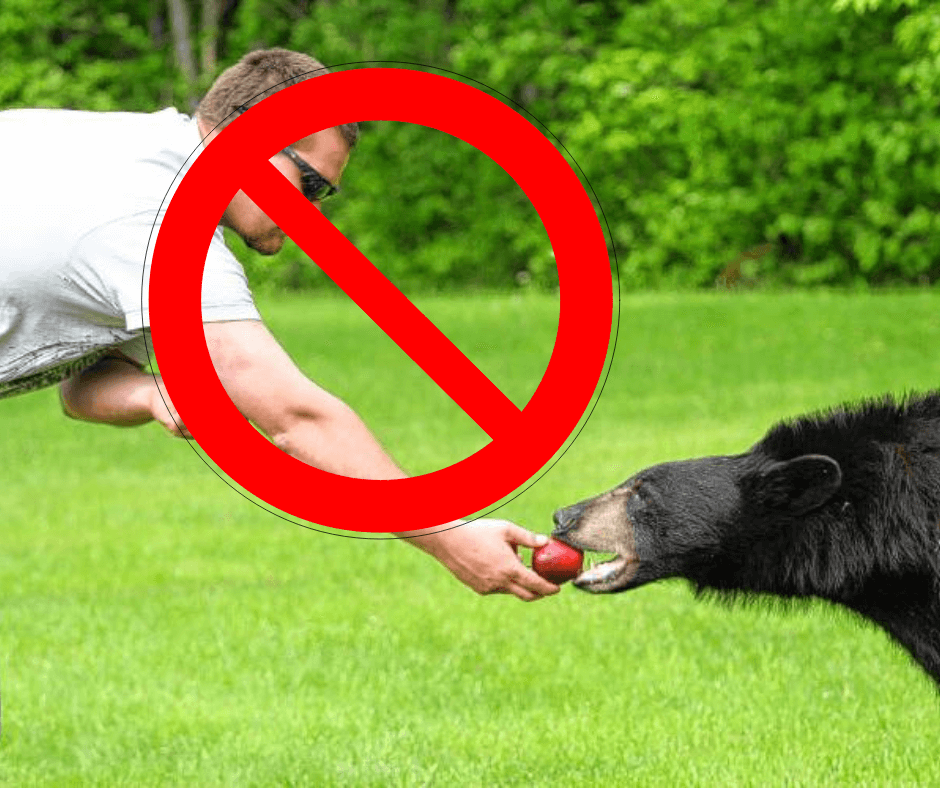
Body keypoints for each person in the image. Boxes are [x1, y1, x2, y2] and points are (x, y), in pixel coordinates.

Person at [0, 48, 560, 602]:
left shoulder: (136, 153)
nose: (313, 212)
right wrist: (450, 536)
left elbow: (80, 387)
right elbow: (296, 418)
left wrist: (151, 393)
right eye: (310, 185)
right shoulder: (161, 223)